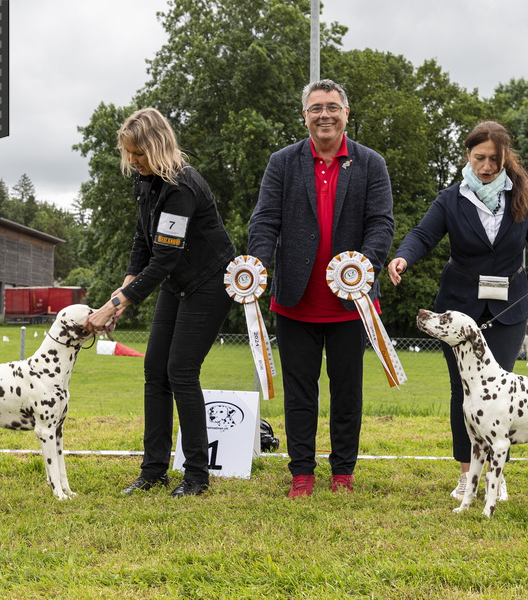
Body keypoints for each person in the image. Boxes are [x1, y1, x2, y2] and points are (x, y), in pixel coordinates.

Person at [387, 120, 528, 500]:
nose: (487, 166)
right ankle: (465, 475)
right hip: (459, 310)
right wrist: (403, 259)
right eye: (479, 158)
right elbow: (423, 235)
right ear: (468, 156)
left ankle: (496, 473)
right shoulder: (451, 198)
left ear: (505, 157)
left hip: (509, 308)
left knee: (501, 393)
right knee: (465, 394)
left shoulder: (523, 194)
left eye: (493, 159)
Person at [248, 80, 395, 498]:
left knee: (347, 392)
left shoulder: (371, 163)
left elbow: (381, 223)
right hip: (295, 300)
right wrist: (256, 265)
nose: (324, 115)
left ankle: (343, 473)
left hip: (353, 302)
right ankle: (302, 474)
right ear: (305, 116)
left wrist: (363, 267)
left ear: (346, 113)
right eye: (316, 109)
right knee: (300, 392)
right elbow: (264, 221)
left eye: (332, 107)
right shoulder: (282, 162)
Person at [85, 107, 235, 498]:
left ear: (156, 146)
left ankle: (197, 476)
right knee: (155, 369)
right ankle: (153, 471)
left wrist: (117, 303)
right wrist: (121, 293)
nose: (132, 161)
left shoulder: (182, 187)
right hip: (176, 281)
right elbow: (142, 242)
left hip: (210, 282)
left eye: (138, 153)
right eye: (129, 154)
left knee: (181, 371)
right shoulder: (144, 181)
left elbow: (165, 257)